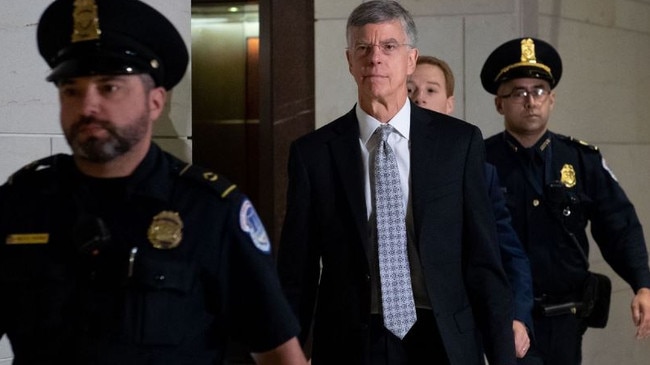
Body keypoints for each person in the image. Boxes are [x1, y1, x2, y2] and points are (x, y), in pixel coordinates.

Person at [0, 1, 307, 364]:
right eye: (72, 90)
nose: (87, 107)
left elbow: (279, 354)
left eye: (109, 87)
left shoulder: (211, 211)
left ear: (155, 102)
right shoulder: (22, 204)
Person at [277, 1, 516, 364]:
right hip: (352, 342)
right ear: (349, 61)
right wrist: (287, 353)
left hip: (442, 338)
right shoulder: (313, 154)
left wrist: (501, 356)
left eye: (389, 47)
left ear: (410, 59)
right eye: (363, 48)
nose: (375, 58)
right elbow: (298, 269)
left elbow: (483, 259)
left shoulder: (459, 143)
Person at [480, 37, 650, 364]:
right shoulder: (480, 161)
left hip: (566, 320)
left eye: (539, 90)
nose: (531, 101)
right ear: (499, 104)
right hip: (506, 319)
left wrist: (642, 282)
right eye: (518, 91)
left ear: (552, 99)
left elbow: (619, 225)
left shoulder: (581, 160)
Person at [408, 55, 538, 362]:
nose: (419, 98)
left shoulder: (474, 166)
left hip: (449, 327)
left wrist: (517, 315)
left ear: (449, 103)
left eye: (431, 90)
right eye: (411, 89)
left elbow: (505, 253)